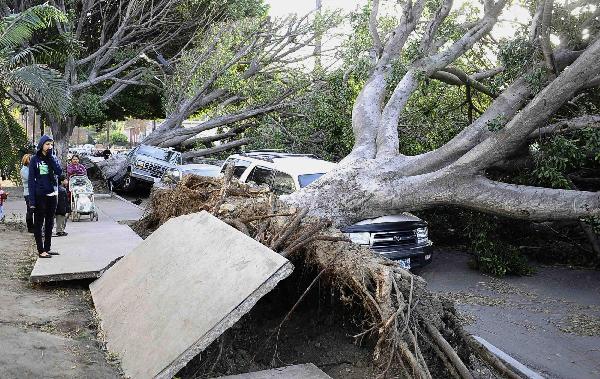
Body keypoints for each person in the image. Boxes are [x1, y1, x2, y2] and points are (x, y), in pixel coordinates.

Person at [28, 135, 62, 258]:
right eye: (47, 144)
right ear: (41, 145)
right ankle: (41, 250)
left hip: (52, 194)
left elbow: (59, 172)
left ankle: (47, 248)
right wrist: (32, 201)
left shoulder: (51, 158)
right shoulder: (34, 160)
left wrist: (51, 158)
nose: (49, 146)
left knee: (49, 222)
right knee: (39, 223)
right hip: (40, 195)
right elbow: (31, 181)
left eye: (51, 144)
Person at [20, 154, 34, 232]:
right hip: (28, 193)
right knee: (30, 210)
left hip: (34, 192)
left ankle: (35, 226)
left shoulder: (31, 168)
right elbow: (30, 178)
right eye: (30, 159)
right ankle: (30, 227)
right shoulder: (24, 170)